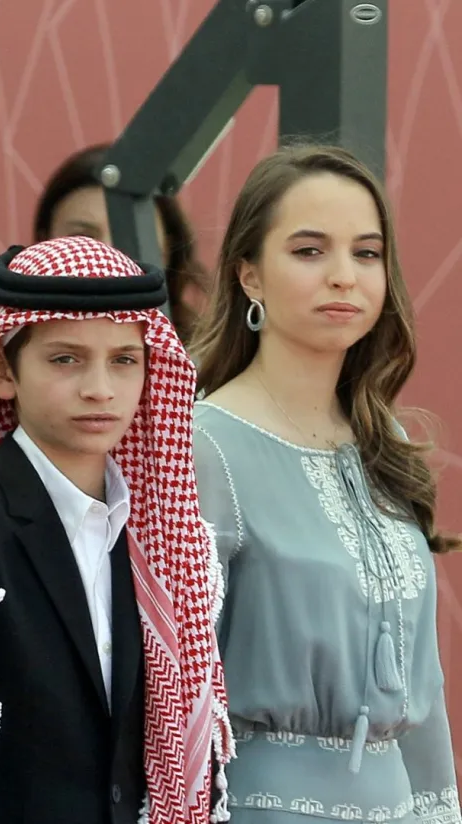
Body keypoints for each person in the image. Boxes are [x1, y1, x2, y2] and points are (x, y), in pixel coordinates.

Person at [190, 144, 461, 822]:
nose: (344, 276)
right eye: (310, 251)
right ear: (249, 275)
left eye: (366, 254)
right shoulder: (206, 445)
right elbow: (174, 687)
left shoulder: (385, 442)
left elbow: (421, 691)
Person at [0, 236, 233, 824]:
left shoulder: (163, 540)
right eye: (66, 359)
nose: (100, 389)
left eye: (123, 360)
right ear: (3, 371)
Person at [33, 142, 209, 343]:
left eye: (127, 236)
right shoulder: (10, 347)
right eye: (84, 238)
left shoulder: (208, 366)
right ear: (43, 243)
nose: (108, 258)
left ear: (167, 251)